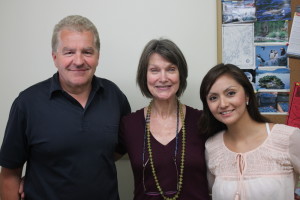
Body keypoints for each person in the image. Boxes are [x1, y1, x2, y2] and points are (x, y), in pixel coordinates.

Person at [0, 15, 131, 200]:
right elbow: (9, 174)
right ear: (55, 57)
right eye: (69, 52)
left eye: (87, 52)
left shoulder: (114, 96)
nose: (78, 61)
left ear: (98, 57)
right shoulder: (27, 103)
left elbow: (119, 148)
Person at [116, 38, 210, 199]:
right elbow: (100, 160)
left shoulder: (203, 121)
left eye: (171, 69)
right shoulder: (129, 125)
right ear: (144, 75)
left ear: (181, 74)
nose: (163, 78)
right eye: (154, 70)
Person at [199, 63, 300, 200]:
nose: (222, 104)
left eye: (231, 93)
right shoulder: (212, 147)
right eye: (213, 98)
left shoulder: (288, 138)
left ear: (247, 95)